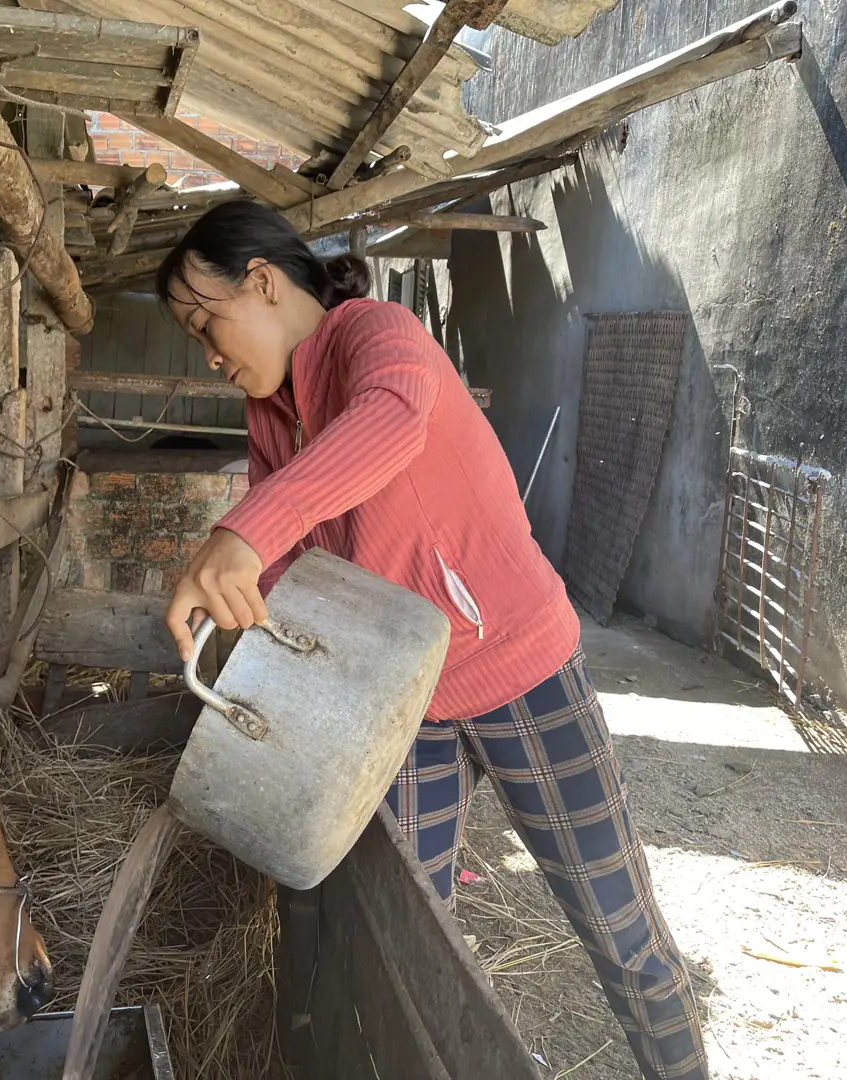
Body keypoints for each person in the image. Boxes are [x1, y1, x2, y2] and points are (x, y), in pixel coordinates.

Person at [157, 201, 707, 1080]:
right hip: (399, 704)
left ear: (260, 282)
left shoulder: (376, 334)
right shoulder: (272, 419)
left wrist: (249, 530)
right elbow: (294, 570)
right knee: (410, 935)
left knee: (620, 927)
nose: (210, 354)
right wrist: (232, 592)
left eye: (205, 322)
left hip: (518, 671)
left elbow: (391, 421)